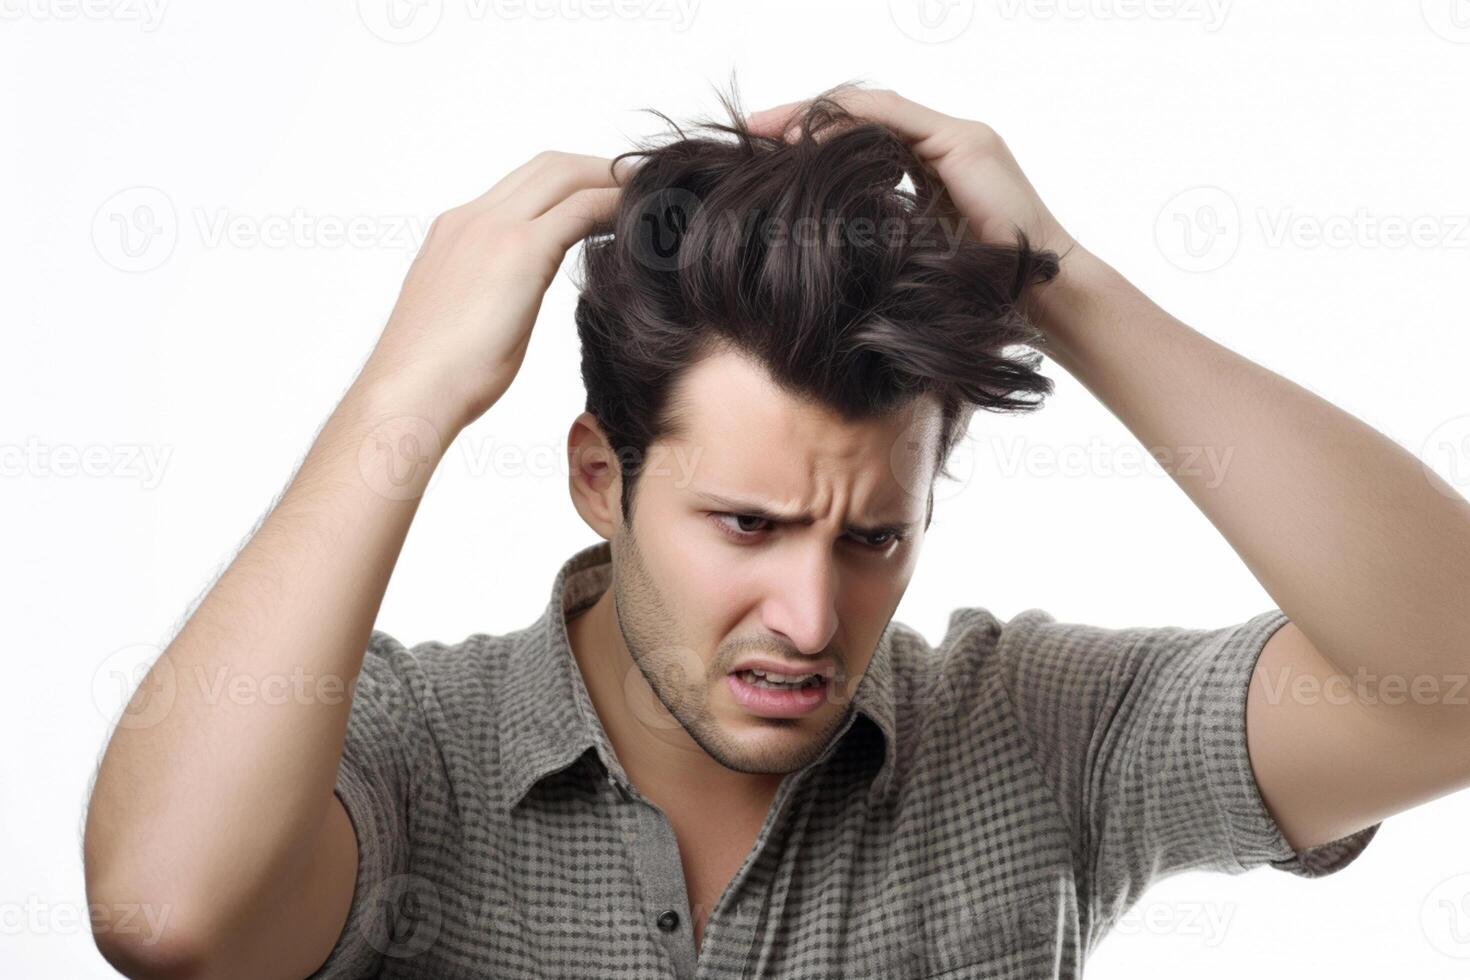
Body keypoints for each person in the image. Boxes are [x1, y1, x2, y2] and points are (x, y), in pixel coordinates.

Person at [84, 81, 1470, 978]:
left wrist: (1066, 289)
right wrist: (403, 397)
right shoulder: (403, 750)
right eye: (743, 525)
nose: (809, 620)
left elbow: (1448, 684)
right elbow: (167, 917)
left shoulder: (1045, 738)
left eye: (870, 537)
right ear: (599, 478)